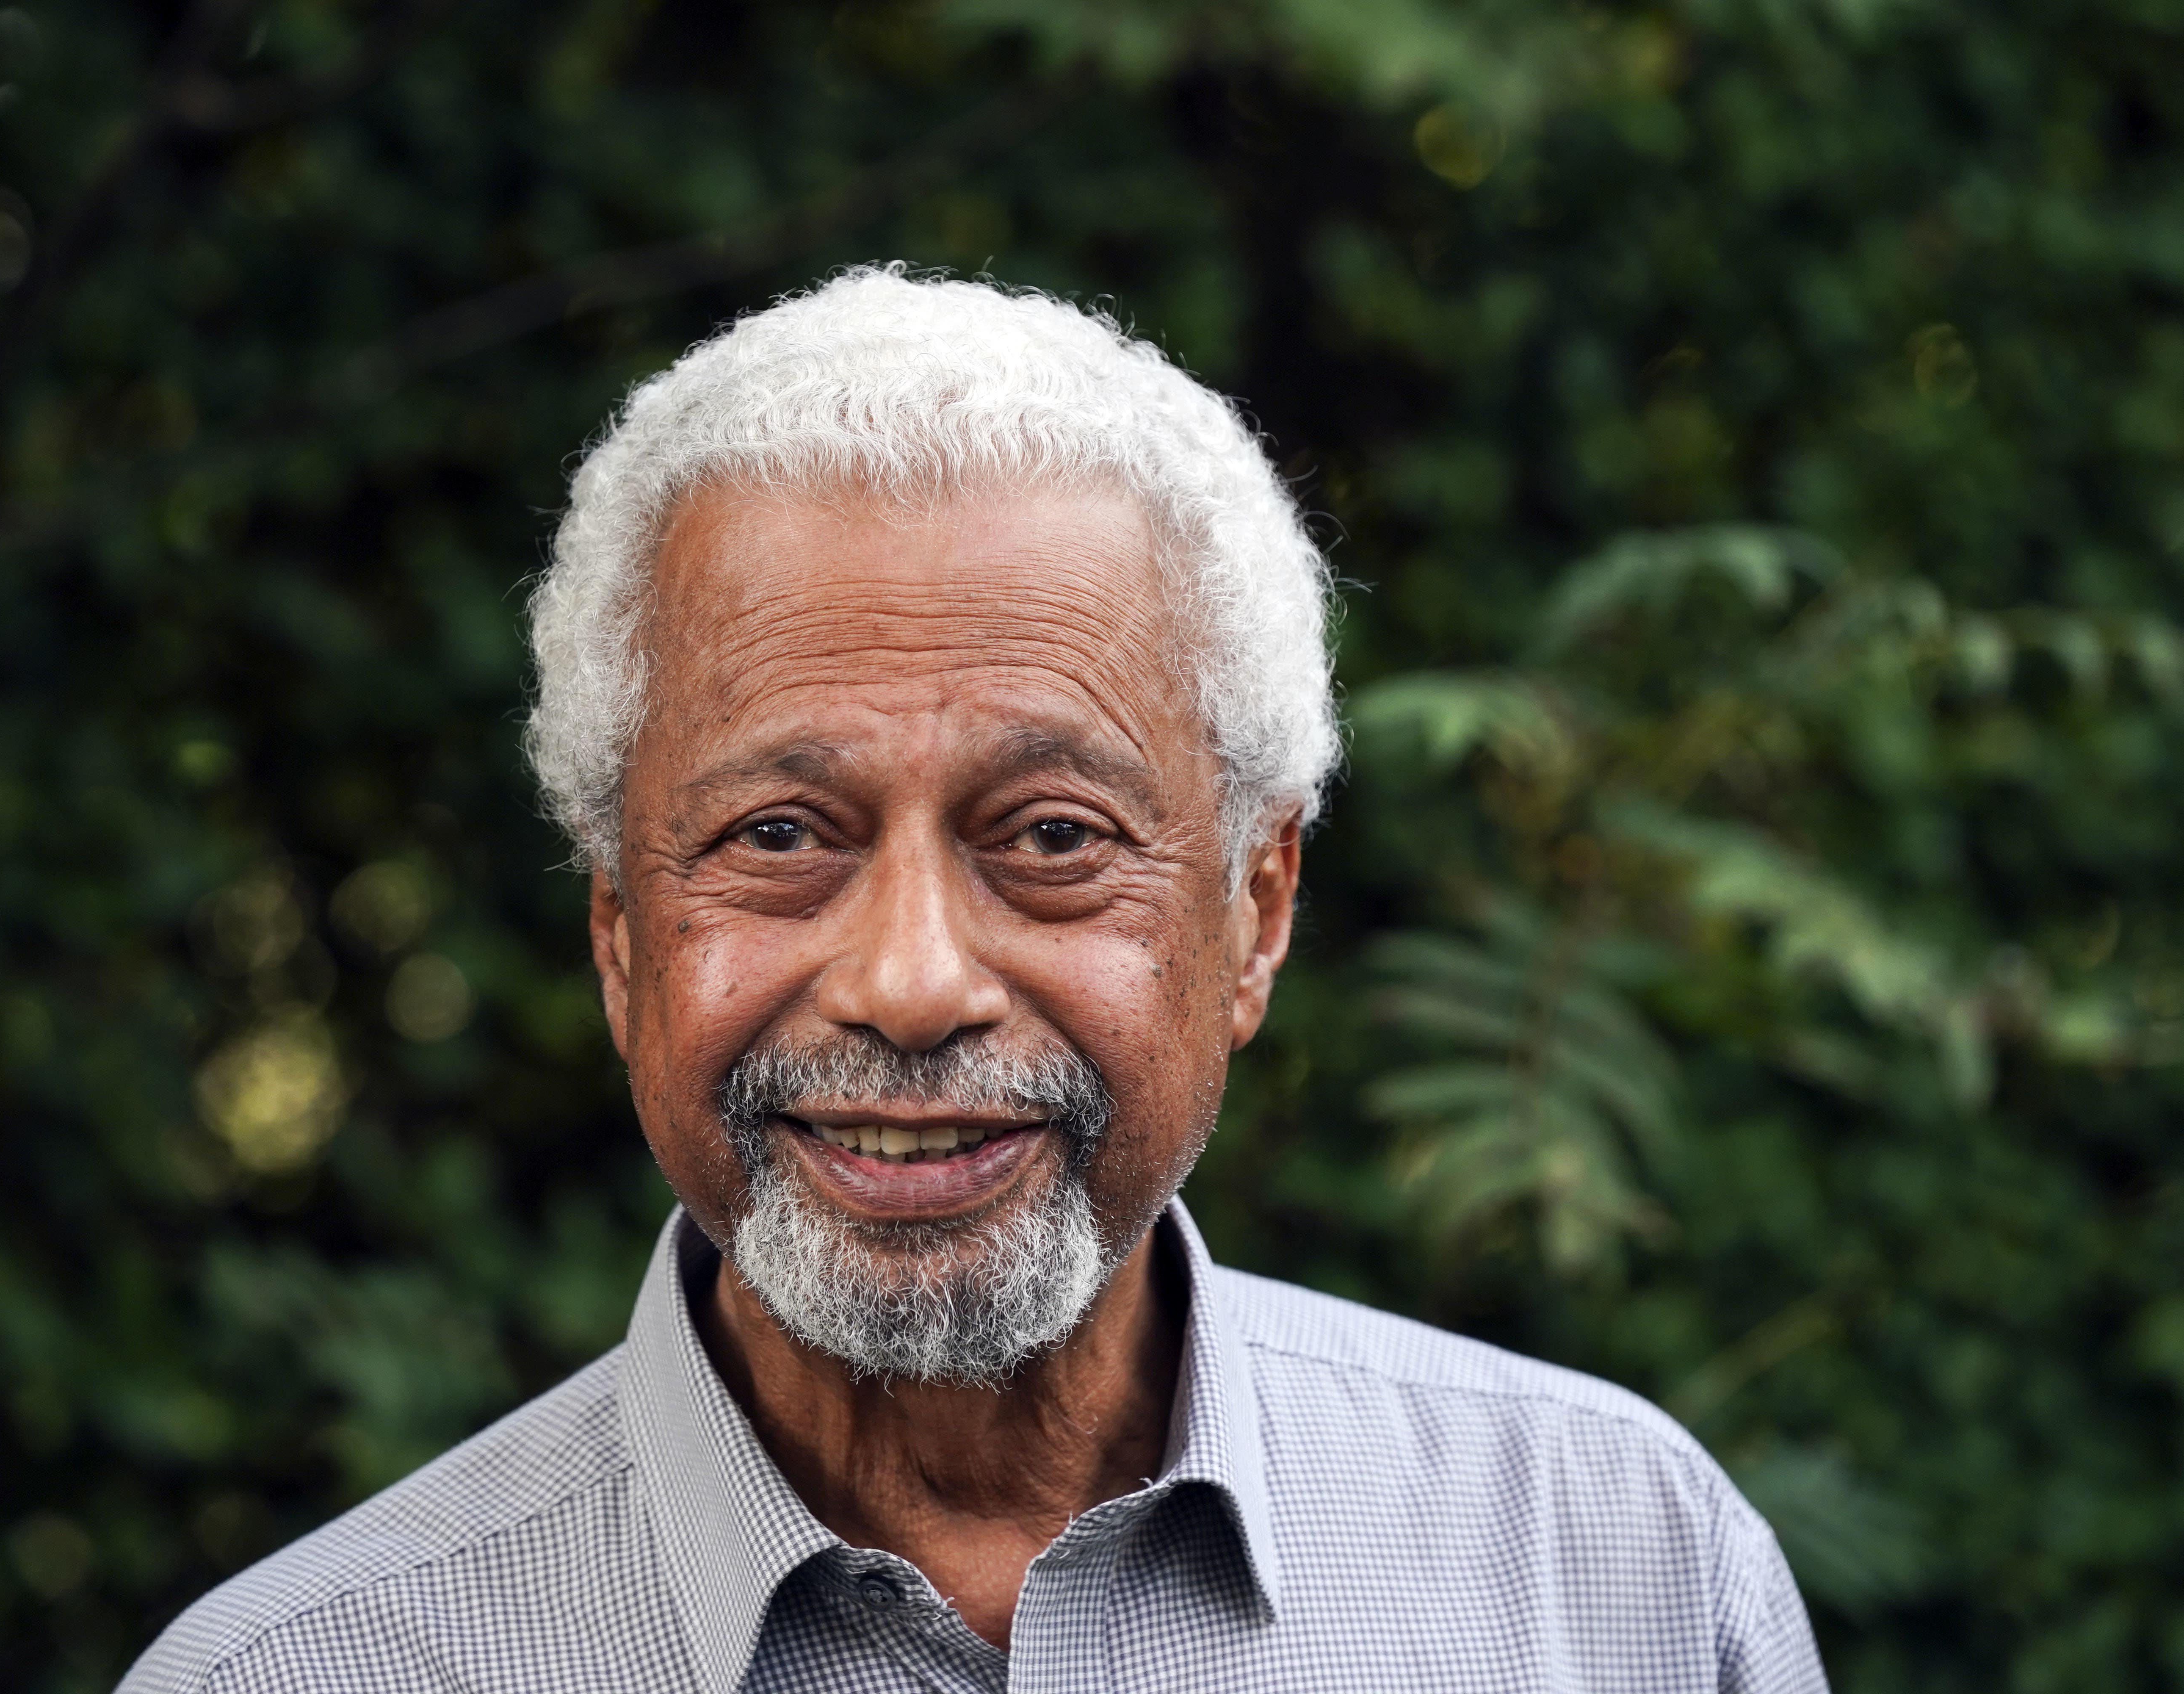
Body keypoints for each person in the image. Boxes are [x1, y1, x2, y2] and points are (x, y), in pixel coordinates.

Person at [120, 266, 1828, 1693]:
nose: (914, 982)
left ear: (1258, 904)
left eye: (1055, 836)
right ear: (620, 931)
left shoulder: (1619, 1583)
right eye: (783, 832)